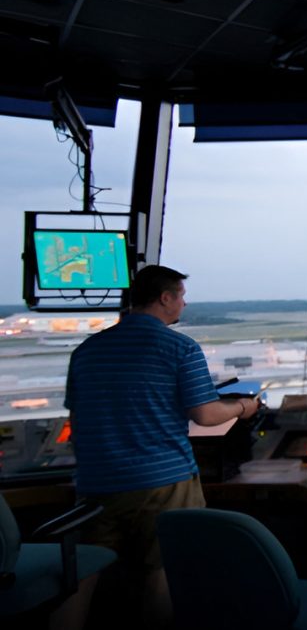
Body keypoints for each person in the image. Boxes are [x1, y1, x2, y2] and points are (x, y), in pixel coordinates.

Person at [63, 264, 260, 629]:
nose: (184, 304)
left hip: (95, 486)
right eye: (181, 296)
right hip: (163, 483)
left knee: (79, 579)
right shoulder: (179, 347)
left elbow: (77, 421)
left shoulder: (86, 351)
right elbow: (206, 414)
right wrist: (244, 407)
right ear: (165, 298)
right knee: (162, 574)